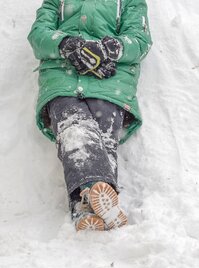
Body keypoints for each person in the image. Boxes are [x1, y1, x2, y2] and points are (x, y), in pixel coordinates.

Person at [28, 0, 152, 231]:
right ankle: (100, 195)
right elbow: (38, 34)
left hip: (109, 81)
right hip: (63, 78)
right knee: (74, 128)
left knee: (102, 138)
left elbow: (140, 40)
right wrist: (66, 44)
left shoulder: (130, 2)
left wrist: (109, 48)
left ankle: (83, 206)